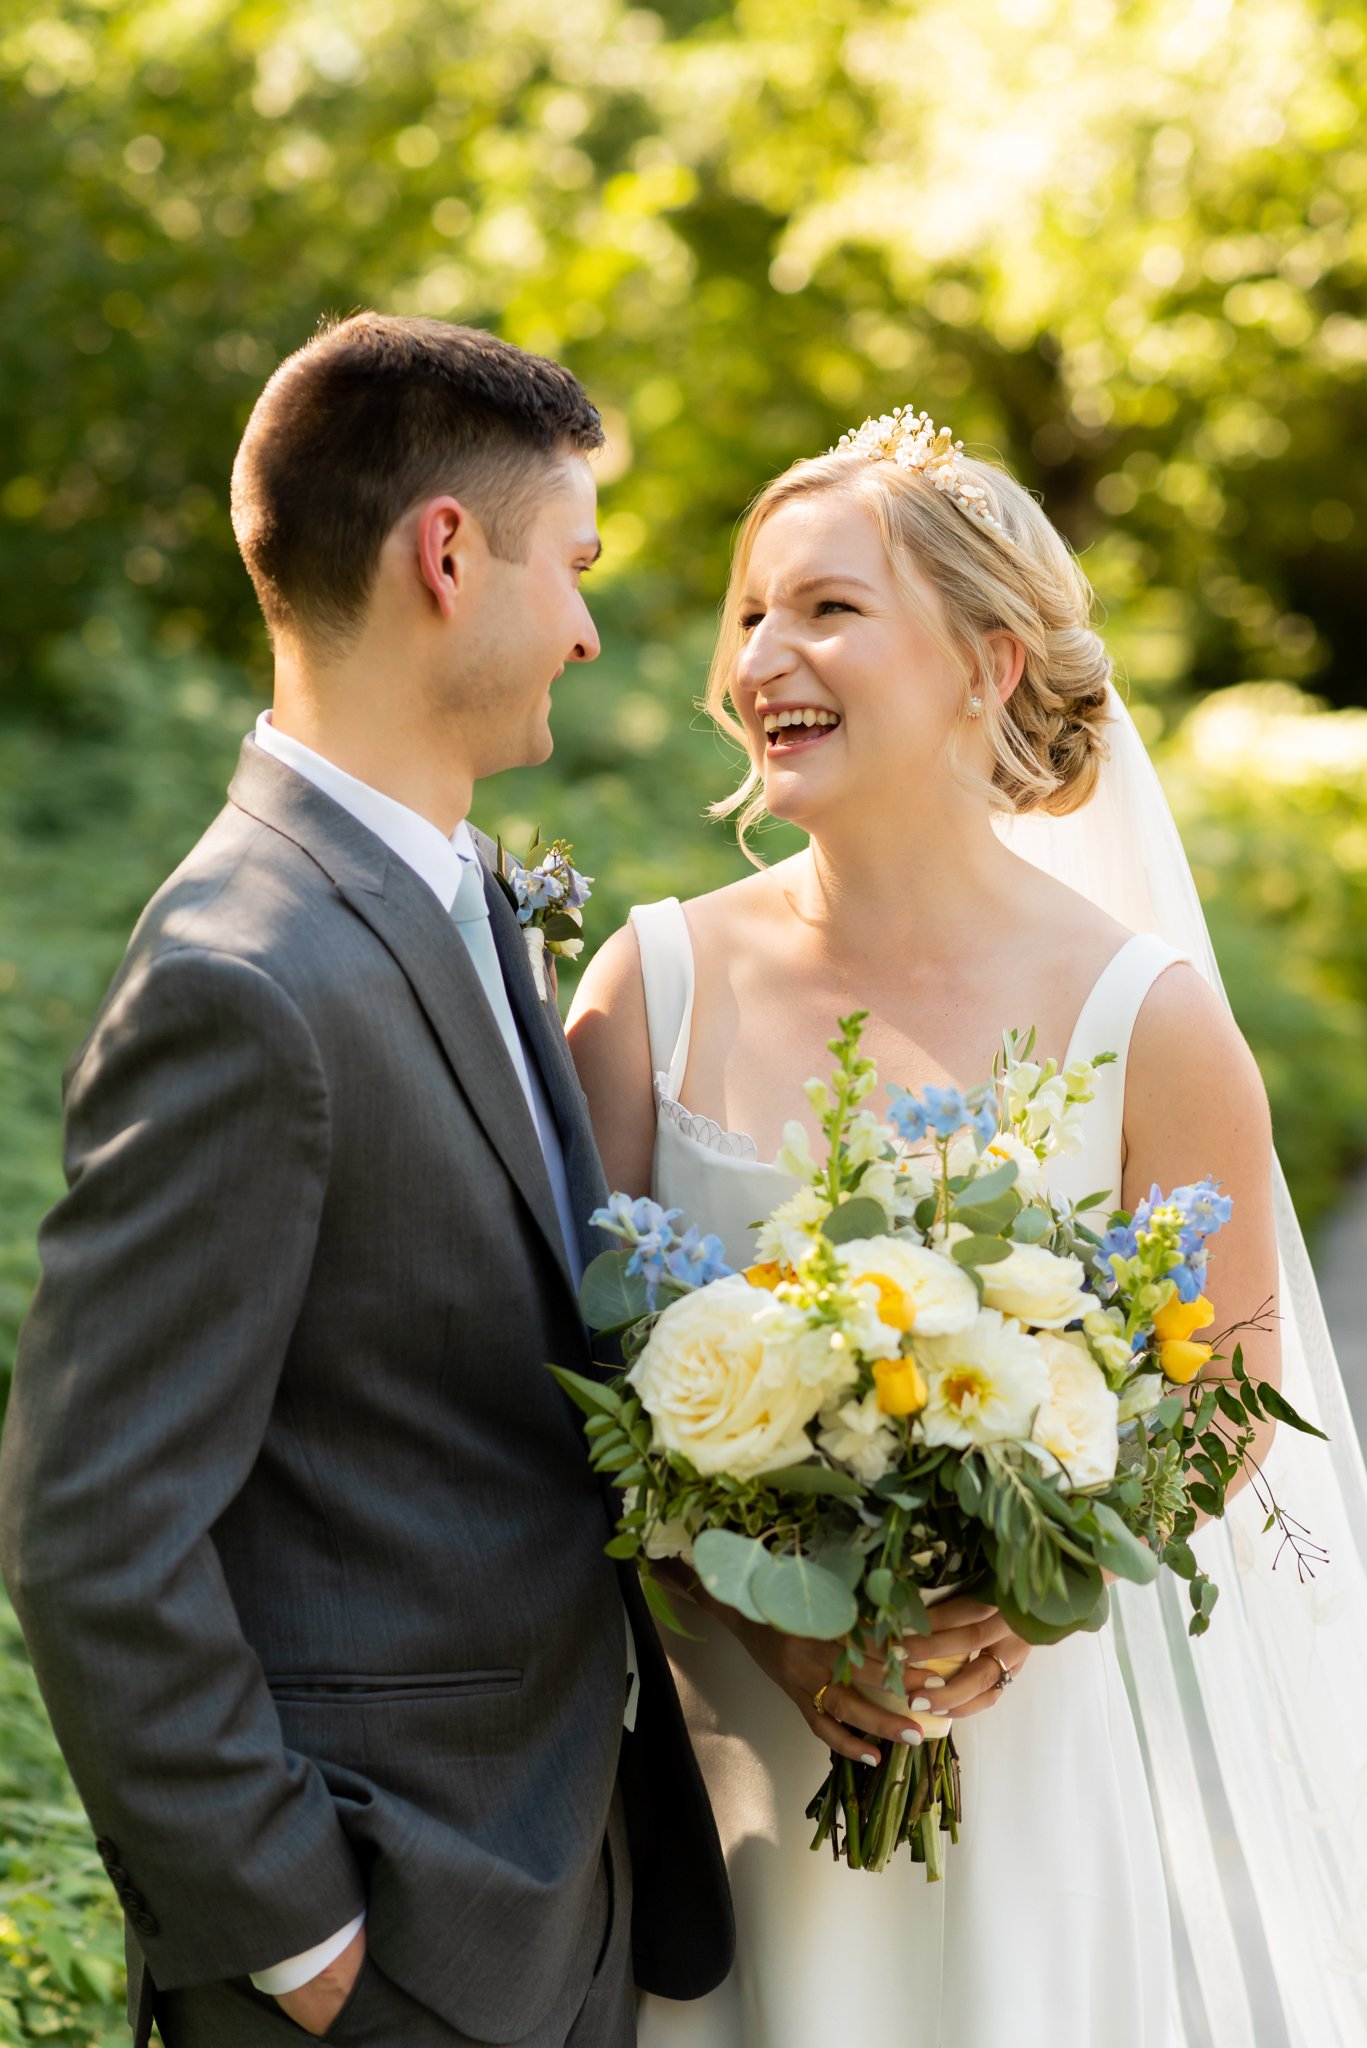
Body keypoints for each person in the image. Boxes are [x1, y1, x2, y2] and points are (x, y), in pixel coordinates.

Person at [0, 313, 731, 2048]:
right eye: (574, 564)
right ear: (449, 552)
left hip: (559, 1888)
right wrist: (297, 1931)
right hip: (386, 1945)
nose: (589, 624)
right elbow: (92, 1524)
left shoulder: (456, 891)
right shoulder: (242, 979)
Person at [566, 406, 1330, 2046]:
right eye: (755, 611)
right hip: (732, 1776)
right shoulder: (650, 987)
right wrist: (774, 1630)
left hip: (1038, 1757)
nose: (766, 653)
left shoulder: (1150, 1019)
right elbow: (565, 1381)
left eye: (830, 609)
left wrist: (1005, 1597)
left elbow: (1228, 1389)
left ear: (989, 665)